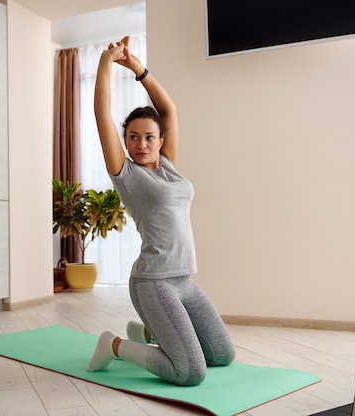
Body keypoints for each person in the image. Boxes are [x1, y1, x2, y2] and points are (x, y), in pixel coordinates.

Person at [86, 36, 235, 386]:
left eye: (149, 137)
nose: (141, 144)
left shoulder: (168, 165)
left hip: (184, 280)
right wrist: (107, 61)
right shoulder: (128, 175)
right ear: (125, 141)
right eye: (133, 137)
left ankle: (147, 332)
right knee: (190, 372)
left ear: (161, 140)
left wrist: (138, 68)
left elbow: (169, 111)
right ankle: (115, 345)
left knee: (222, 355)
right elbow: (101, 114)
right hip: (153, 282)